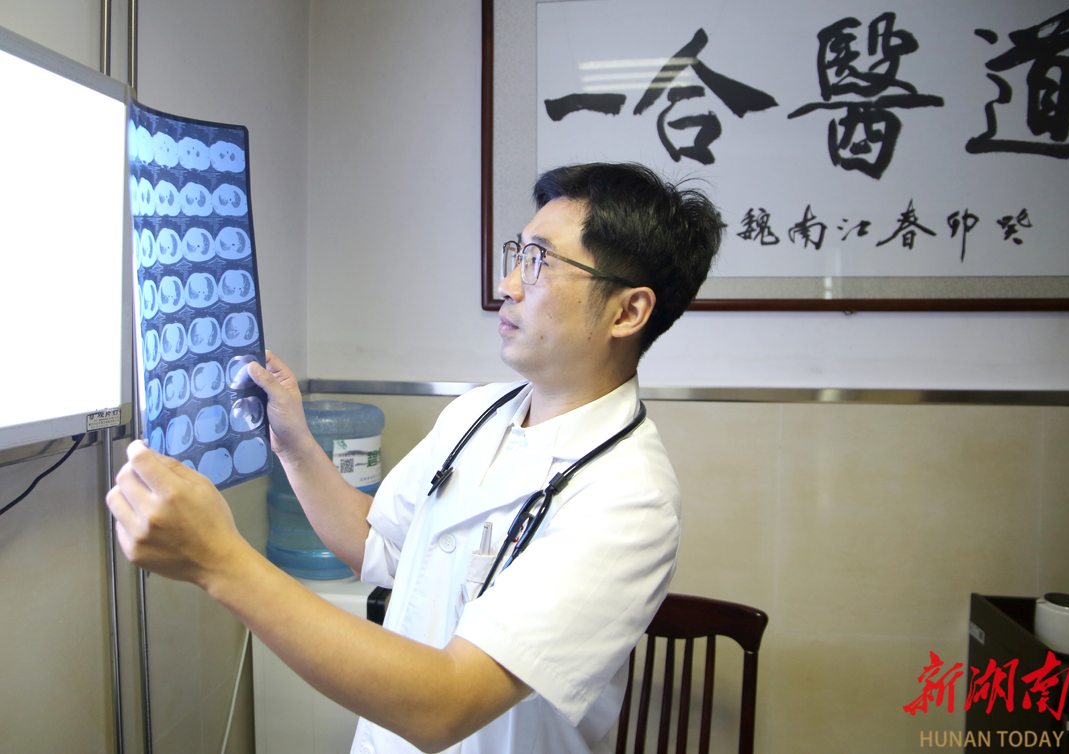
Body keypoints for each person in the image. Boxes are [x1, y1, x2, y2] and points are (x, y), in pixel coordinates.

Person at [107, 162, 723, 754]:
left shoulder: (630, 498)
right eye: (518, 255)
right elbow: (376, 544)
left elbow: (448, 704)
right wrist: (291, 441)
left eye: (539, 262)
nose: (507, 285)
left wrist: (221, 562)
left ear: (627, 311)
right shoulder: (478, 412)